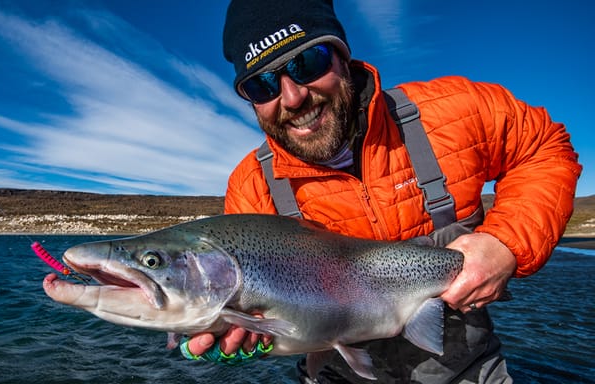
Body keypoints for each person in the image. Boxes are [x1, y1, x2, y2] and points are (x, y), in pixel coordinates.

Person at [179, 0, 582, 382]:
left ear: (342, 56)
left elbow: (544, 148)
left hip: (467, 371)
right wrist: (243, 336)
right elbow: (265, 322)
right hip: (336, 373)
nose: (293, 97)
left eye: (307, 63)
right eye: (262, 85)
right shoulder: (252, 187)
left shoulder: (454, 111)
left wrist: (506, 243)